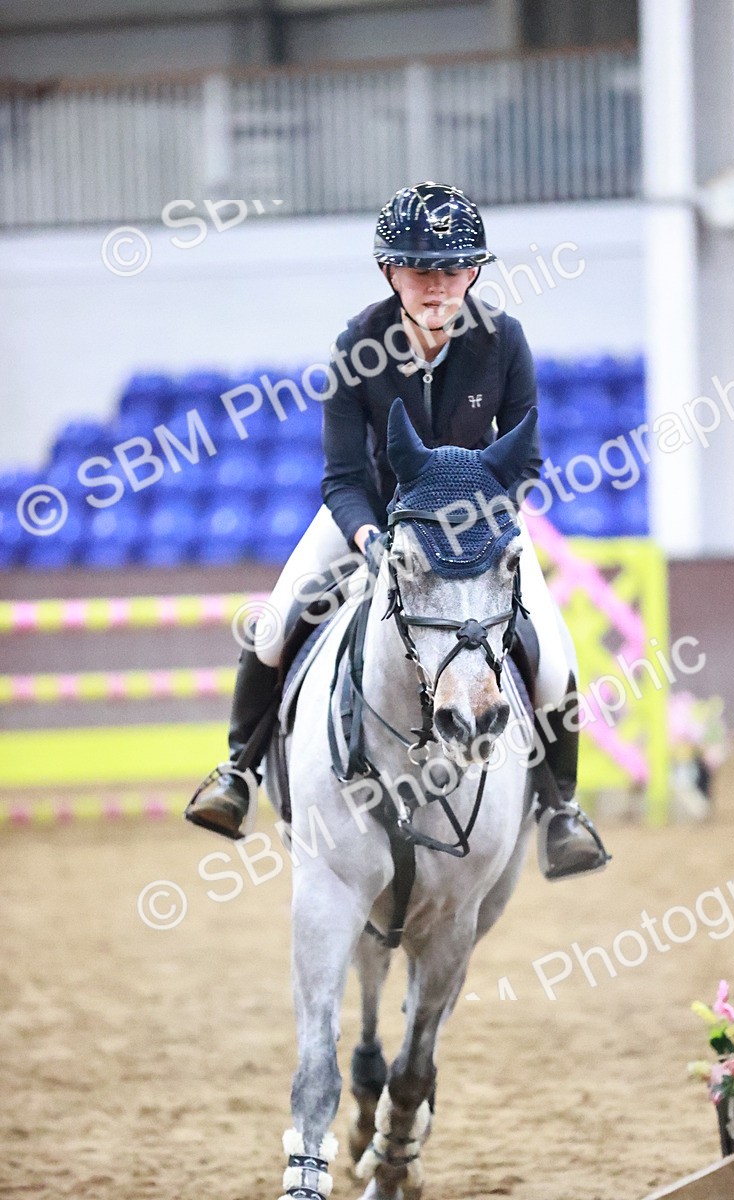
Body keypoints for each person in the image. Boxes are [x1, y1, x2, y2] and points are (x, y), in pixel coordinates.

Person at [185, 181, 607, 879]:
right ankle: (238, 773)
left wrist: (480, 526)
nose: (437, 285)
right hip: (376, 518)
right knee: (274, 623)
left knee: (554, 657)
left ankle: (562, 811)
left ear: (473, 273)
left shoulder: (503, 341)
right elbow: (342, 475)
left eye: (453, 269)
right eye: (419, 269)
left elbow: (525, 463)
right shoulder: (358, 344)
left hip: (477, 528)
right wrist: (368, 540)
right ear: (391, 272)